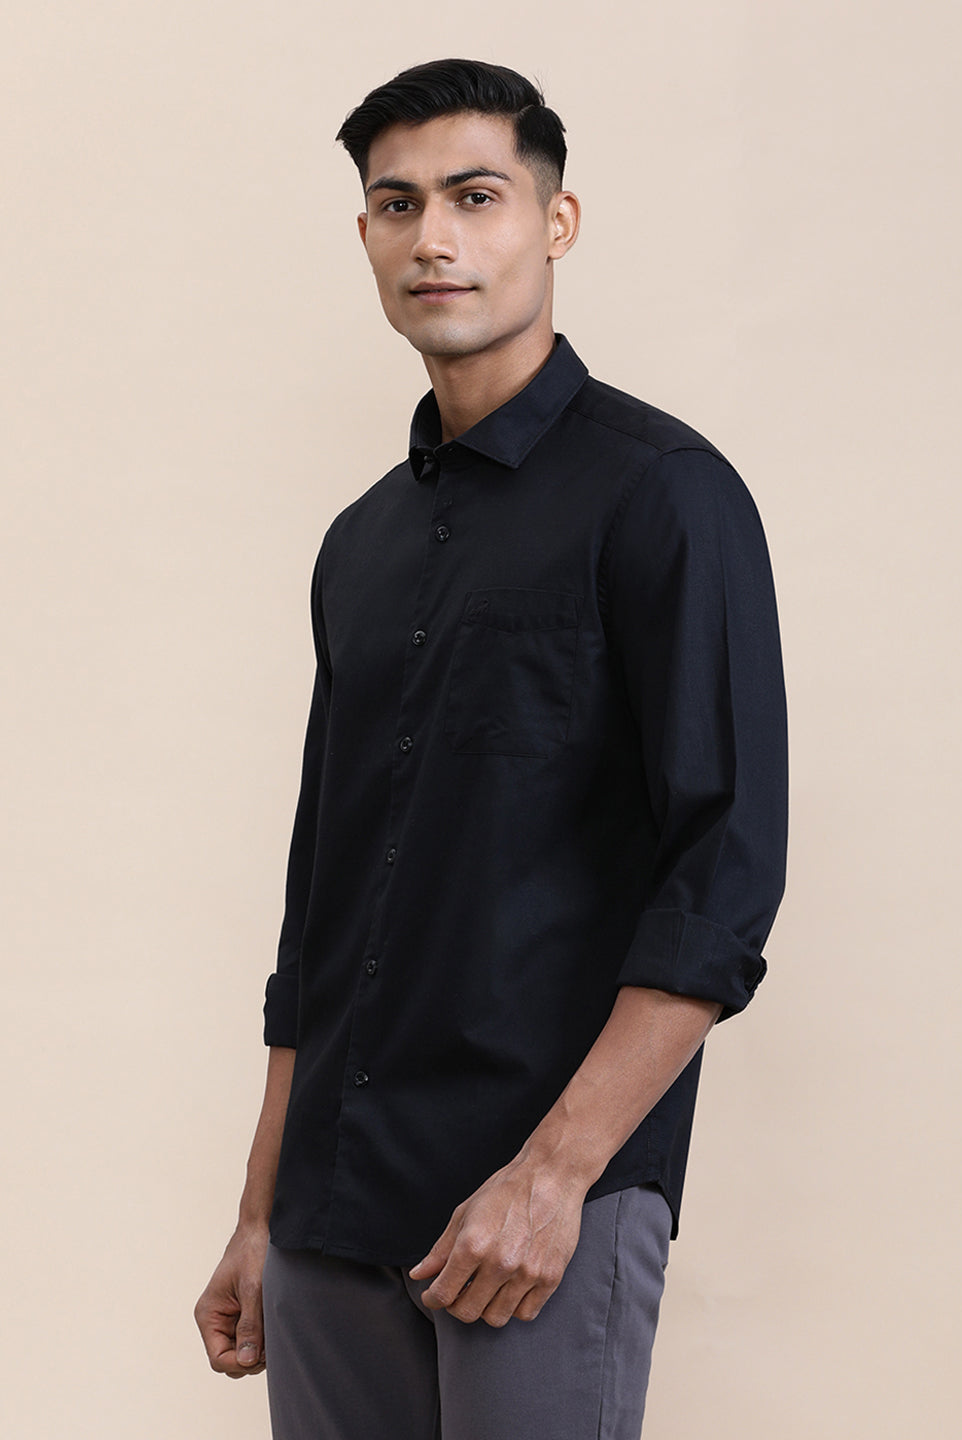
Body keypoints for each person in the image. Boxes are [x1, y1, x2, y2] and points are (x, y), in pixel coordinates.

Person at [194, 56, 787, 1440]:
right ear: (365, 236)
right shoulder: (360, 544)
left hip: (530, 1202)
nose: (434, 239)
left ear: (555, 221)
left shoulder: (665, 497)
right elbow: (322, 899)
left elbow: (722, 879)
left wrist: (556, 1175)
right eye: (398, 205)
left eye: (476, 196)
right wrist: (261, 1209)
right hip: (334, 1205)